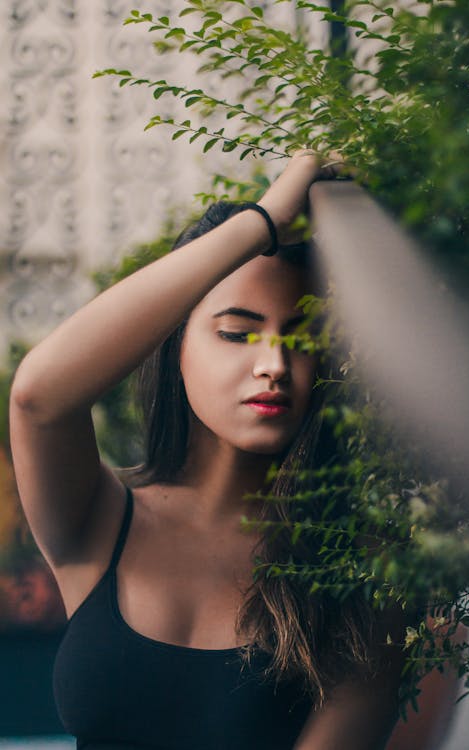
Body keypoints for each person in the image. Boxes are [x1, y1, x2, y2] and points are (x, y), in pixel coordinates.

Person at [9, 151, 413, 749]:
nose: (274, 365)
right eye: (236, 332)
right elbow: (39, 396)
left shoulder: (360, 569)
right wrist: (264, 219)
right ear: (174, 345)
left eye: (301, 339)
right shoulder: (97, 517)